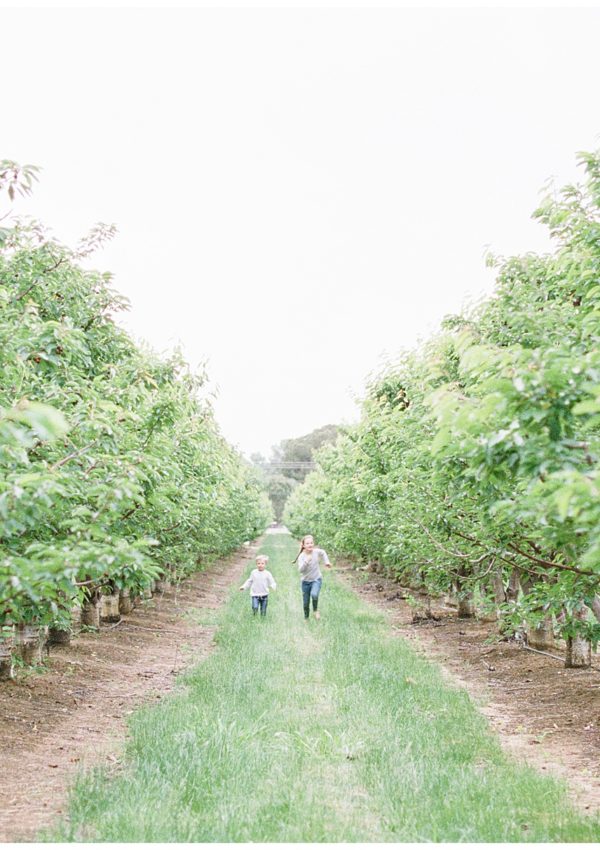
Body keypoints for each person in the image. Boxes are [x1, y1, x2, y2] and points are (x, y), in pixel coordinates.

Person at [293, 535, 331, 620]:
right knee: (306, 603)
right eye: (307, 543)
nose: (310, 545)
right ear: (303, 545)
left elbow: (323, 552)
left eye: (311, 543)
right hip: (305, 582)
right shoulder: (302, 556)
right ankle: (306, 618)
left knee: (314, 594)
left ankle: (315, 610)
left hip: (316, 579)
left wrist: (327, 562)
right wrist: (306, 561)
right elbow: (301, 570)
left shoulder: (316, 552)